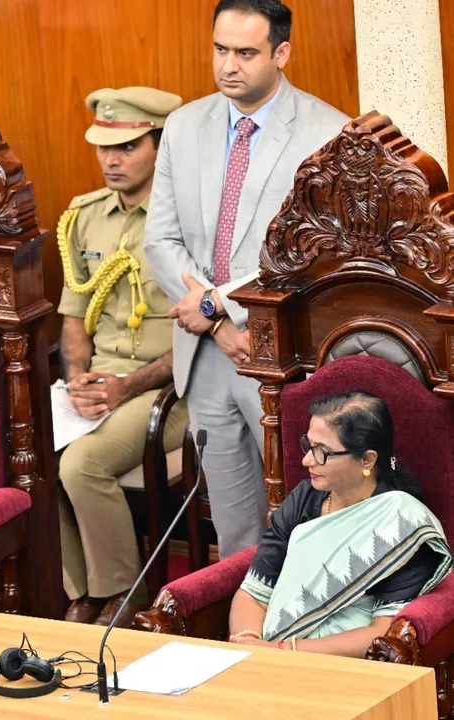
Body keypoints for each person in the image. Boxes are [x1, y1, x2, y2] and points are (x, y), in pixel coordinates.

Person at [143, 0, 349, 557]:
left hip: (281, 358)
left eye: (246, 52)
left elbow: (312, 254)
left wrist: (220, 306)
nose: (228, 65)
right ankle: (239, 633)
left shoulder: (328, 133)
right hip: (207, 355)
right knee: (232, 530)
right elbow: (159, 240)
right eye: (220, 49)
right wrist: (212, 322)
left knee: (303, 520)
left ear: (281, 53)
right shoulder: (185, 126)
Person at [56, 87, 190, 628]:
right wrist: (75, 379)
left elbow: (198, 332)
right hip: (99, 383)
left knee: (81, 462)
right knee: (30, 449)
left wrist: (125, 388)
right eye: (103, 148)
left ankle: (124, 591)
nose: (112, 160)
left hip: (168, 388)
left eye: (128, 147)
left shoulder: (185, 222)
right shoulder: (86, 217)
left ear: (160, 145)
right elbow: (73, 317)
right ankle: (80, 588)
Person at [228, 392, 450, 656]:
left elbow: (384, 632)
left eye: (322, 452)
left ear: (367, 460)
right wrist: (250, 643)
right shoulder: (303, 498)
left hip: (343, 667)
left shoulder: (402, 524)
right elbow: (254, 593)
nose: (307, 460)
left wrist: (285, 651)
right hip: (270, 655)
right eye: (308, 445)